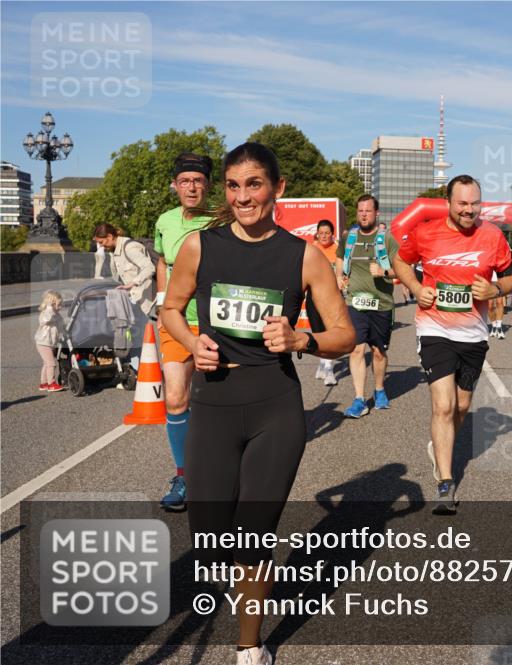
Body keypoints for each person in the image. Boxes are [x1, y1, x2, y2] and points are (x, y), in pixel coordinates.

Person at [161, 142, 355, 665]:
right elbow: (171, 309)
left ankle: (250, 644)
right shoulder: (201, 247)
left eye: (254, 184)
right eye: (233, 185)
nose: (243, 196)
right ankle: (239, 582)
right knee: (208, 537)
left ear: (277, 189)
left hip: (274, 404)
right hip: (214, 402)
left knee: (253, 533)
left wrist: (301, 341)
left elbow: (344, 333)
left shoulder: (303, 255)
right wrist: (192, 340)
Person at [392, 175, 512, 514]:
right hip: (434, 328)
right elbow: (400, 260)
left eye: (474, 203)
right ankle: (445, 483)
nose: (468, 210)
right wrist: (418, 290)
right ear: (448, 202)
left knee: (461, 408)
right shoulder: (425, 232)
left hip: (474, 334)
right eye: (462, 203)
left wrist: (496, 290)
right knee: (443, 406)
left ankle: (440, 445)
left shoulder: (492, 236)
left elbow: (511, 276)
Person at [152, 152, 215, 512]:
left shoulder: (220, 221)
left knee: (216, 402)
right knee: (176, 398)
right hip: (176, 320)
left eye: (198, 181)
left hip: (213, 322)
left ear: (207, 185)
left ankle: (219, 470)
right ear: (175, 185)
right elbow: (163, 260)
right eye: (185, 181)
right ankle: (184, 476)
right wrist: (162, 302)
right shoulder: (165, 221)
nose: (192, 187)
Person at [335, 195, 400, 418]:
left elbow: (401, 269)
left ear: (376, 213)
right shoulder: (348, 238)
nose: (363, 214)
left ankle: (380, 389)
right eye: (360, 210)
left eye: (368, 211)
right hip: (355, 302)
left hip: (381, 303)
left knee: (378, 352)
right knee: (356, 348)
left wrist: (383, 272)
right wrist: (339, 276)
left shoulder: (387, 239)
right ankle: (359, 399)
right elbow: (339, 258)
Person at [92, 223, 156, 318]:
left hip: (150, 305)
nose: (100, 246)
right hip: (136, 304)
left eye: (101, 242)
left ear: (109, 236)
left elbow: (149, 268)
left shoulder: (129, 248)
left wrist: (131, 283)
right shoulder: (114, 251)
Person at [312, 219, 339, 387]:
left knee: (330, 333)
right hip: (313, 298)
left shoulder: (337, 251)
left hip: (332, 298)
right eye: (321, 233)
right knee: (317, 333)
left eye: (327, 233)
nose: (323, 236)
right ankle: (322, 362)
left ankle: (329, 369)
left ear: (332, 234)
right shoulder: (311, 249)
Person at [35, 290, 66, 392]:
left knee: (46, 363)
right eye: (58, 304)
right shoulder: (45, 313)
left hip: (50, 343)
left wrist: (66, 331)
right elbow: (46, 320)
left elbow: (61, 325)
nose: (61, 307)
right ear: (52, 304)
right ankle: (51, 383)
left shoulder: (57, 315)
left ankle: (43, 384)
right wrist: (49, 308)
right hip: (43, 343)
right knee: (51, 363)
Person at [488, 270, 506, 339]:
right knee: (490, 306)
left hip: (499, 280)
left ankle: (499, 327)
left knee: (499, 302)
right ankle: (494, 325)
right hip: (489, 280)